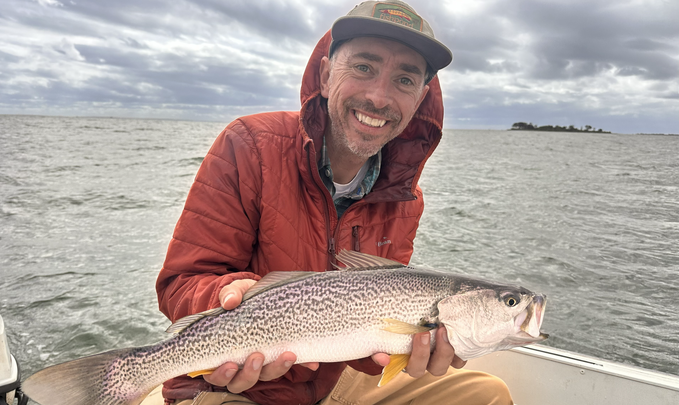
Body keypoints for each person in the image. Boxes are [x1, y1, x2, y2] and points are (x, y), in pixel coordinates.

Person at [155, 1, 512, 404]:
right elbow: (181, 283)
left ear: (419, 100)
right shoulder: (249, 144)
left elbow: (365, 349)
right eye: (363, 67)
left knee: (487, 394)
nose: (379, 97)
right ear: (326, 76)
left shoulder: (406, 199)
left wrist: (411, 347)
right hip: (229, 385)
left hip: (328, 382)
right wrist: (228, 298)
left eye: (404, 79)